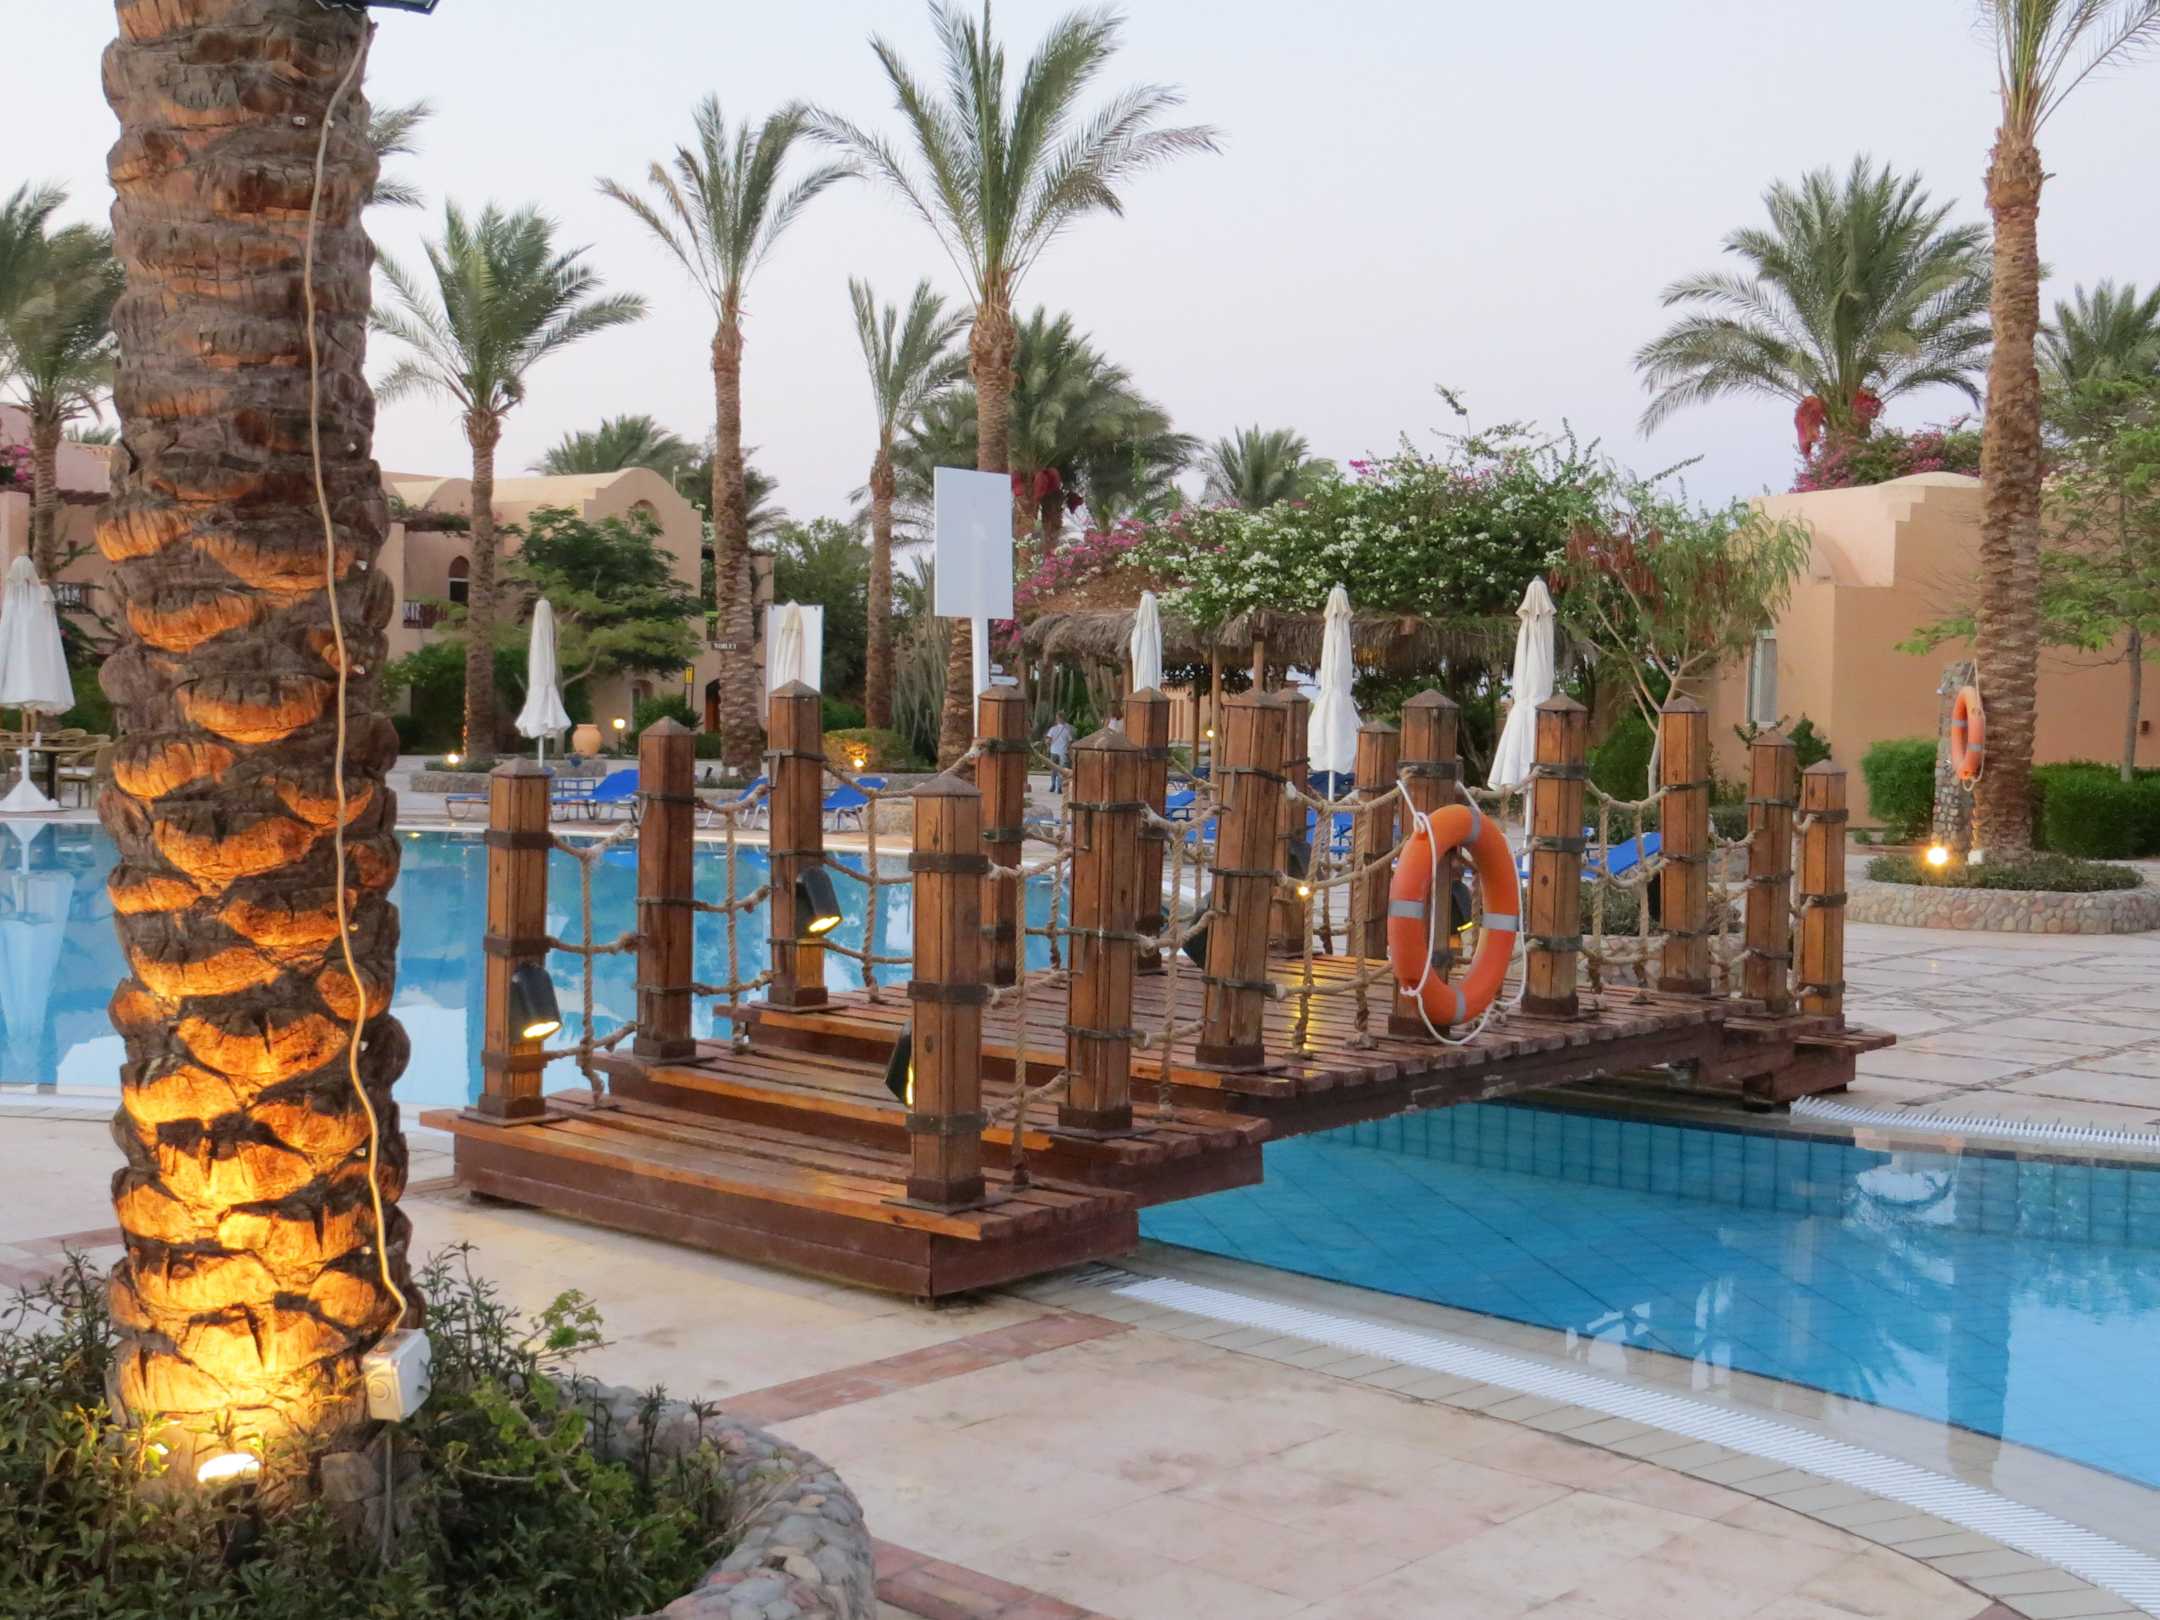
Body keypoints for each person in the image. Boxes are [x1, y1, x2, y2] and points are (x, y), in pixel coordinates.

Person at [1045, 713, 1076, 794]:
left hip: (1053, 751)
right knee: (1061, 770)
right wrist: (1068, 749)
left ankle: (1052, 785)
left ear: (1058, 719)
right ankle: (1059, 787)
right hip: (1063, 752)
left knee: (1053, 769)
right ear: (1064, 719)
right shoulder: (1067, 730)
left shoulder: (1052, 729)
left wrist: (1048, 745)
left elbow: (1048, 740)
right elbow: (1070, 742)